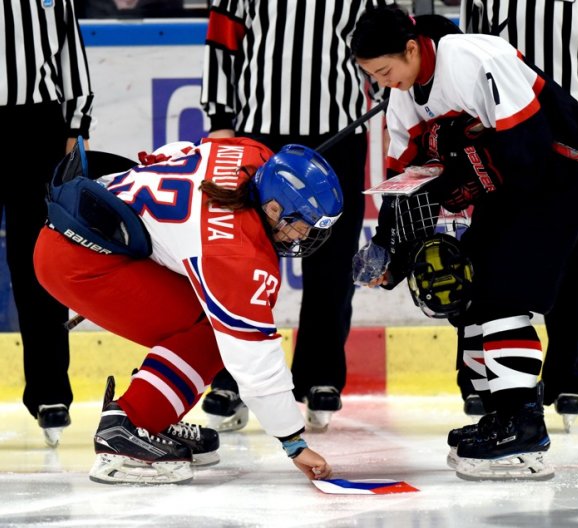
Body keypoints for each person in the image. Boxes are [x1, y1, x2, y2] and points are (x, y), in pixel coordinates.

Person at [350, 5, 578, 480]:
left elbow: (529, 155)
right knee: (472, 294)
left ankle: (523, 427)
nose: (386, 84)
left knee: (501, 297)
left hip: (559, 187)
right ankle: (503, 414)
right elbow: (402, 182)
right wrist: (390, 246)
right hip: (512, 192)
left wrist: (465, 172)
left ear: (412, 48)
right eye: (374, 77)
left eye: (386, 71)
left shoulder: (471, 58)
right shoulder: (404, 98)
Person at [33, 136, 339, 484]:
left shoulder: (252, 154)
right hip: (80, 261)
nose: (303, 235)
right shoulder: (238, 253)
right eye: (302, 224)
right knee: (214, 331)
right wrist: (294, 442)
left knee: (208, 319)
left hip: (80, 235)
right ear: (273, 209)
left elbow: (169, 154)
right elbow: (254, 355)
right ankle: (128, 429)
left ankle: (149, 417)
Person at [199, 0, 393, 432]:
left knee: (333, 259)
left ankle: (321, 374)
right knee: (240, 260)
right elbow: (221, 44)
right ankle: (231, 376)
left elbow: (385, 37)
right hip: (260, 131)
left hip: (338, 132)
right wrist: (220, 122)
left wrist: (389, 108)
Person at [459, 0, 578, 431]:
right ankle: (479, 376)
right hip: (504, 122)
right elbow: (469, 44)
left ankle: (568, 374)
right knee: (489, 242)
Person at [0, 0, 94, 447]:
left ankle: (50, 392)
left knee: (37, 260)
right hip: (32, 127)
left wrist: (77, 123)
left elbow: (69, 51)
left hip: (35, 124)